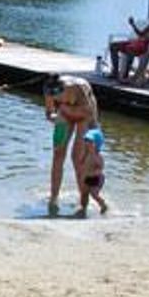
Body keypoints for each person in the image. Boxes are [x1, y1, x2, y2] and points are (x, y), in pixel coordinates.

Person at [44, 74, 98, 216]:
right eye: (56, 100)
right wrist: (55, 119)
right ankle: (54, 198)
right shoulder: (50, 90)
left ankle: (83, 201)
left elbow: (92, 119)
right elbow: (49, 113)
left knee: (78, 158)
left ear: (66, 90)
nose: (57, 101)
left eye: (61, 98)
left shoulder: (79, 89)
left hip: (84, 115)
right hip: (65, 115)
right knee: (58, 154)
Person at [75, 127, 108, 217]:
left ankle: (103, 205)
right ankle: (83, 208)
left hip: (97, 178)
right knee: (84, 194)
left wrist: (95, 172)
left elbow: (100, 168)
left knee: (93, 194)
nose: (86, 143)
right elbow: (81, 163)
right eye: (86, 140)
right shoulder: (86, 153)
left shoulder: (98, 157)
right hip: (87, 177)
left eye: (90, 142)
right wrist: (81, 171)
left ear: (97, 144)